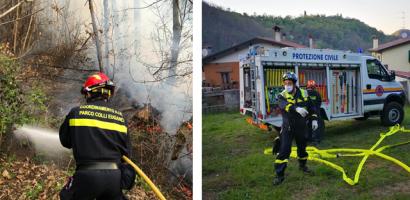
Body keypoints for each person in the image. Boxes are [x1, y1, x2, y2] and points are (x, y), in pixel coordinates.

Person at [59, 72, 131, 199]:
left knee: (67, 196)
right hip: (114, 179)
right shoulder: (121, 118)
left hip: (86, 176)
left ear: (90, 92)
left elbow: (65, 141)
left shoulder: (76, 113)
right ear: (107, 94)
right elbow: (127, 154)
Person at [272, 72, 319, 186]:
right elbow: (284, 105)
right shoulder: (281, 95)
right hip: (288, 128)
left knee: (302, 149)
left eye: (289, 83)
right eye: (285, 83)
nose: (287, 85)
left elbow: (312, 107)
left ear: (294, 84)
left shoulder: (304, 93)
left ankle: (303, 166)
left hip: (301, 127)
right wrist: (296, 108)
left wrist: (314, 119)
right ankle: (280, 175)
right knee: (284, 150)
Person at [306, 80, 324, 146]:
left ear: (307, 86)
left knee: (308, 126)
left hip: (307, 113)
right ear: (314, 86)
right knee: (316, 126)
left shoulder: (305, 93)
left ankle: (308, 139)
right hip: (316, 112)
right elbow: (319, 102)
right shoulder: (317, 93)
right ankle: (316, 140)